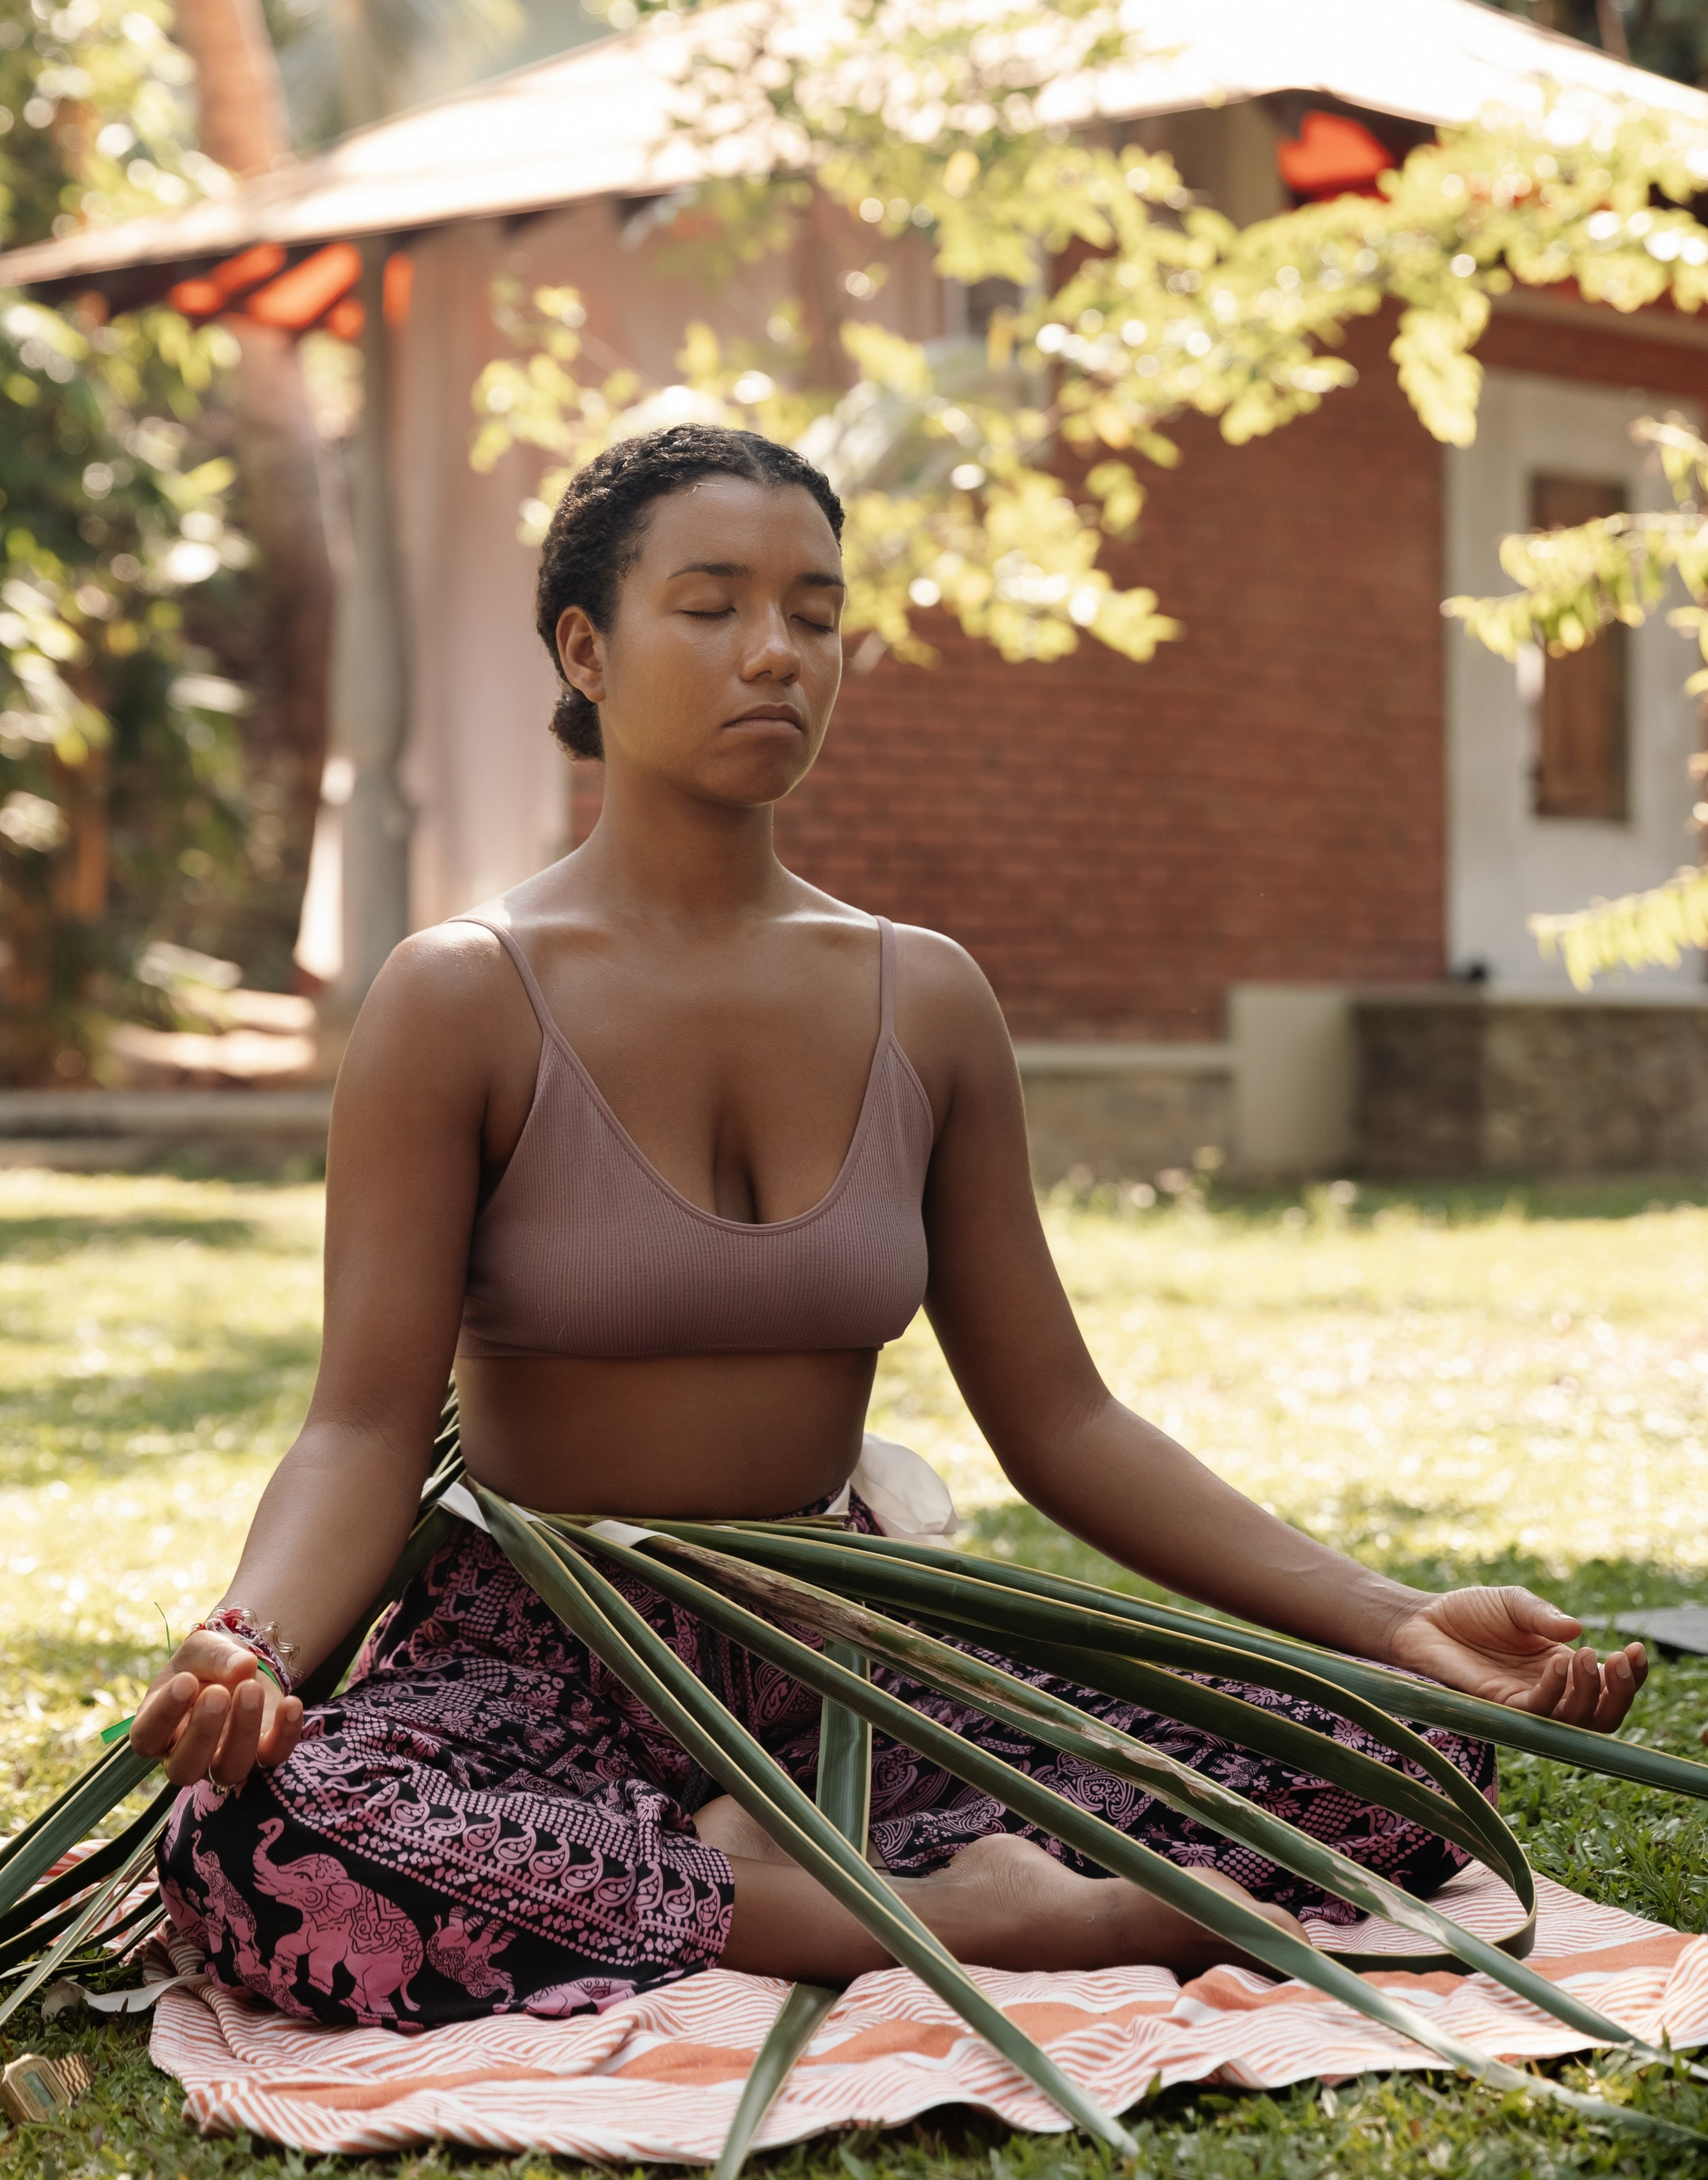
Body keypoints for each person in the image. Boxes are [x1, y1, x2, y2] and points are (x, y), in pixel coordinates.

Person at [134, 423, 1646, 2031]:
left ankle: (787, 1892)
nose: (775, 652)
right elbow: (362, 1430)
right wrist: (253, 1645)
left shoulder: (920, 995)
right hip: (544, 1663)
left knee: (1397, 1739)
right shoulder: (460, 994)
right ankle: (1004, 1915)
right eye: (709, 605)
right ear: (585, 646)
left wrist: (1393, 1619)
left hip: (847, 1647)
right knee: (264, 1835)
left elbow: (1061, 1420)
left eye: (814, 610)